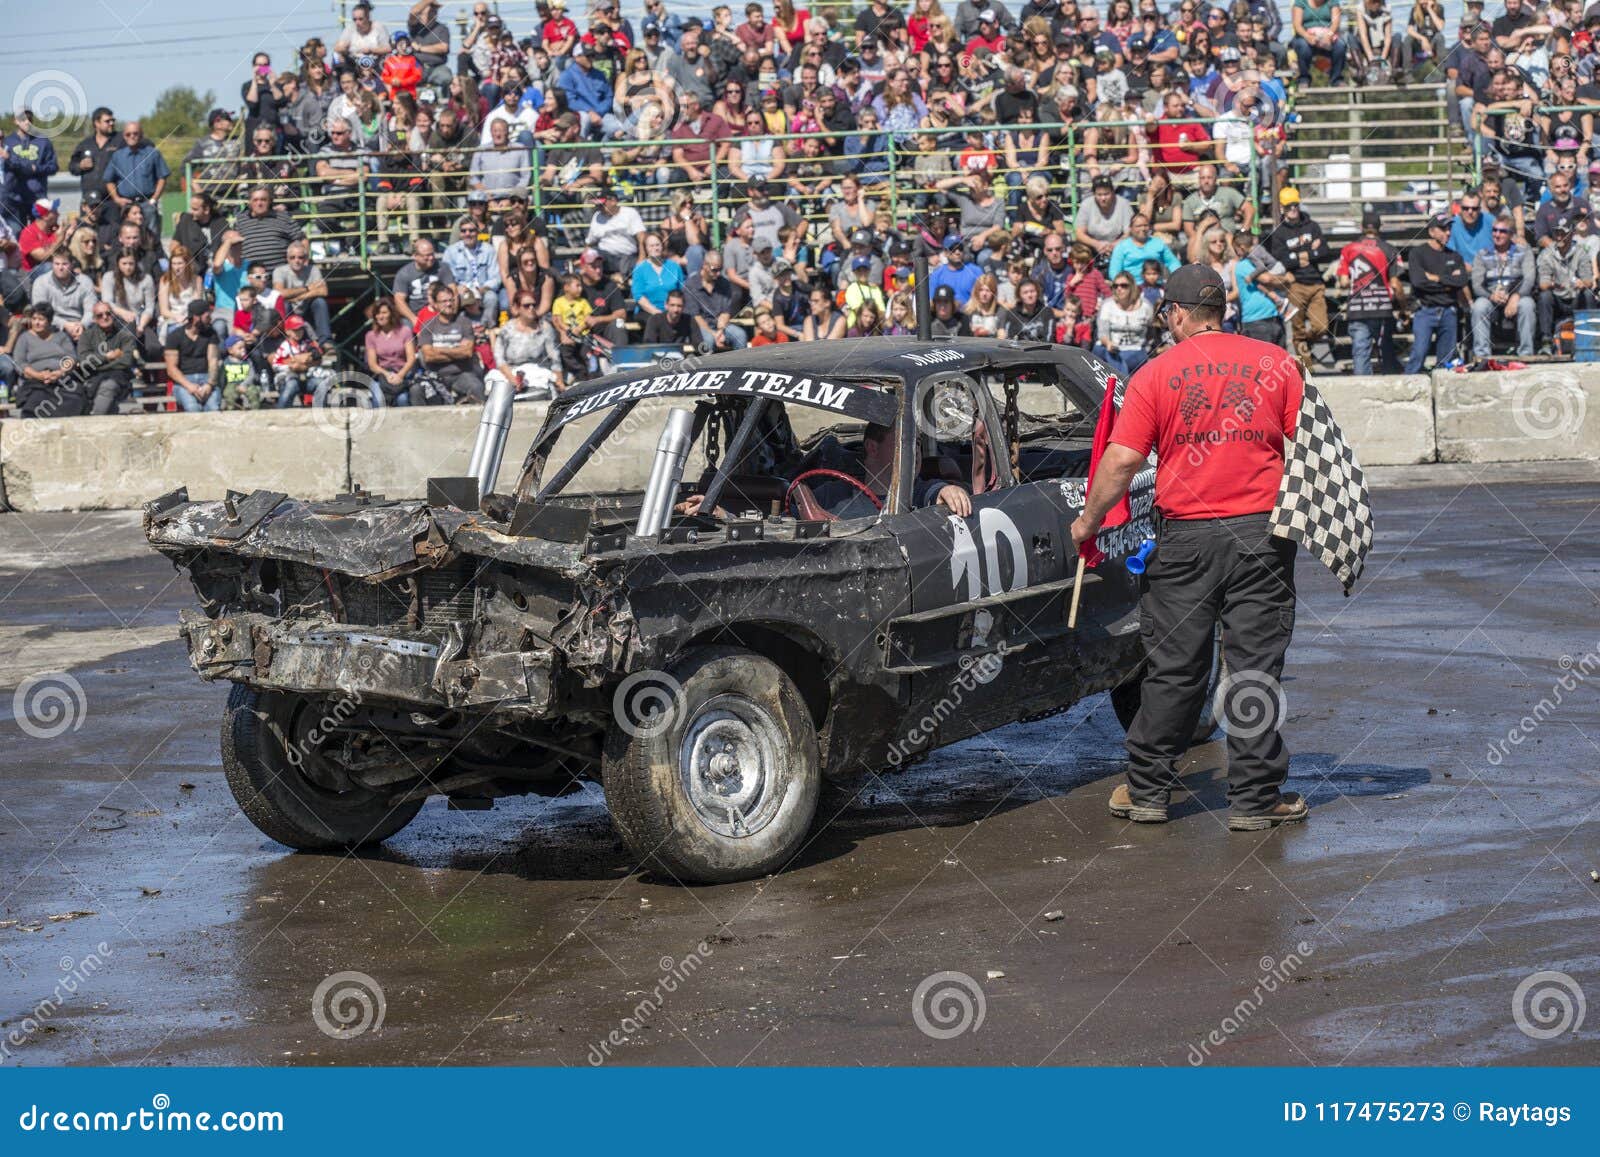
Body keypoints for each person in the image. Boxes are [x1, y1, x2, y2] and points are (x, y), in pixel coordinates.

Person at [1070, 263, 1308, 831]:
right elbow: (1310, 446)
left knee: (1176, 667)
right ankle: (1254, 800)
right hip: (1262, 537)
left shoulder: (1155, 373)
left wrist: (1089, 521)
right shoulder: (1278, 363)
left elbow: (1125, 460)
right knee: (1255, 670)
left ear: (1176, 314)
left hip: (1187, 539)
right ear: (1221, 311)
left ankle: (1149, 790)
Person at [1263, 187, 1332, 366]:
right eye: (1288, 206)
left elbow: (1325, 251)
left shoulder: (1312, 226)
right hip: (1295, 285)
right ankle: (1308, 368)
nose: (1293, 209)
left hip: (1316, 283)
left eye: (1295, 205)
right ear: (1282, 208)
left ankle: (1307, 344)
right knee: (1298, 329)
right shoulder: (1279, 233)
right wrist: (1310, 251)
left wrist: (1303, 255)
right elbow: (1283, 261)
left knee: (1321, 327)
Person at [1336, 212, 1403, 374]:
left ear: (1361, 227)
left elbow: (1344, 282)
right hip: (1382, 308)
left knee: (1360, 351)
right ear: (1380, 228)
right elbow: (1395, 283)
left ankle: (1361, 391)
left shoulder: (1347, 250)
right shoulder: (1389, 249)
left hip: (1357, 308)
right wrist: (1403, 306)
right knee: (1385, 349)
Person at [1405, 212, 1470, 372]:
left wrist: (1435, 278)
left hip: (1449, 311)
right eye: (1442, 228)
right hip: (1425, 310)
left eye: (1449, 228)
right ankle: (1406, 388)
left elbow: (1461, 281)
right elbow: (1419, 282)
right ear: (1431, 231)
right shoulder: (1418, 253)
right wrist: (1448, 282)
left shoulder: (1454, 256)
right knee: (1418, 354)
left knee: (1446, 361)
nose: (1447, 232)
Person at [1471, 215, 1536, 361]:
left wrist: (1516, 296)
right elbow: (1476, 284)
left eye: (1502, 231)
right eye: (1494, 230)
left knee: (1527, 304)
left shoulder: (1524, 251)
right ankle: (1482, 356)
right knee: (1479, 306)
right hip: (1491, 297)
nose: (1497, 234)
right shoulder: (1482, 254)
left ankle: (1526, 354)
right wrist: (1491, 295)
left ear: (1511, 234)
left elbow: (1529, 278)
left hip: (1516, 295)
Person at [11, 304, 86, 418]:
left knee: (74, 399)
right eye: (34, 319)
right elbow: (20, 362)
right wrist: (38, 375)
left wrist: (60, 372)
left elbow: (71, 358)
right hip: (35, 381)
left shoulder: (61, 336)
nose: (36, 323)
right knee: (36, 401)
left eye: (41, 319)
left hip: (61, 379)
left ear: (49, 321)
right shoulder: (24, 338)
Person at [418, 283, 486, 402]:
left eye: (451, 300)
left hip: (461, 373)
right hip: (435, 375)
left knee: (477, 387)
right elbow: (428, 356)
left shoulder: (464, 323)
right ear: (435, 304)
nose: (448, 304)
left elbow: (467, 353)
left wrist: (439, 350)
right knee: (416, 391)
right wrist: (457, 350)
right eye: (444, 301)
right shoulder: (428, 325)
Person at [101, 121, 170, 236]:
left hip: (147, 204)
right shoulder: (117, 156)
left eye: (135, 133)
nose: (132, 136)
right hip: (127, 205)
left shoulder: (153, 153)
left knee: (151, 238)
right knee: (128, 238)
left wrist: (154, 199)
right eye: (128, 134)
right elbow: (108, 180)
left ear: (141, 135)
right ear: (124, 136)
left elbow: (162, 177)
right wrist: (117, 199)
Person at [1536, 221, 1594, 353]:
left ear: (1571, 234)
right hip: (1557, 297)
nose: (1559, 237)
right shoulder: (1546, 254)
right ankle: (1546, 341)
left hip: (1576, 297)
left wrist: (1582, 283)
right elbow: (1542, 283)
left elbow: (1589, 280)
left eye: (1563, 233)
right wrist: (1552, 284)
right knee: (1544, 296)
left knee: (1589, 294)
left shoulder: (1581, 252)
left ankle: (1591, 337)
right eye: (1557, 233)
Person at [2, 109, 60, 233]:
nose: (27, 123)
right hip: (16, 198)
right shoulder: (8, 142)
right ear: (16, 121)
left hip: (37, 196)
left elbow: (53, 166)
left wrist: (37, 169)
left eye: (30, 120)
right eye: (23, 120)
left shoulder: (43, 141)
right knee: (18, 233)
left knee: (41, 232)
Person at [1094, 273, 1155, 378]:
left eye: (1124, 285)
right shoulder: (1107, 305)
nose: (1119, 289)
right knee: (1107, 355)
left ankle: (1119, 386)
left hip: (1135, 348)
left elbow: (1151, 329)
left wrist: (1148, 347)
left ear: (1132, 287)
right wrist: (1108, 343)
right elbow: (1102, 332)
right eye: (1115, 286)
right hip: (1110, 348)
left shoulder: (1145, 306)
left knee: (1124, 360)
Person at [165, 300, 221, 413]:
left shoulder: (211, 334)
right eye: (207, 316)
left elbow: (213, 360)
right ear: (196, 317)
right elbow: (171, 369)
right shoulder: (175, 336)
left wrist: (209, 384)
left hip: (206, 378)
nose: (210, 318)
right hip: (184, 380)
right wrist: (189, 386)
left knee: (213, 408)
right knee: (192, 408)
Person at [30, 251, 97, 341]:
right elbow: (41, 312)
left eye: (64, 264)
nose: (60, 268)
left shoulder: (85, 281)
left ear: (71, 265)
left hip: (79, 325)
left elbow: (91, 310)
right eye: (56, 264)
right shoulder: (41, 282)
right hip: (52, 326)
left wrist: (82, 325)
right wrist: (65, 325)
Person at [363, 297, 419, 405]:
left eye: (384, 312)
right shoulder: (371, 336)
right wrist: (387, 375)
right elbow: (372, 364)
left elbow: (411, 357)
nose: (381, 316)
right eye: (378, 313)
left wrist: (400, 375)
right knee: (378, 397)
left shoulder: (404, 331)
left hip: (402, 373)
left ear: (391, 313)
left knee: (402, 399)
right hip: (382, 374)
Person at [1290, 0, 1347, 86]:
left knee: (1340, 46)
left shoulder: (1332, 2)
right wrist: (1308, 37)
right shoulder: (1300, 2)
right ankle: (1304, 78)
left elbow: (1336, 23)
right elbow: (1297, 25)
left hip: (1328, 35)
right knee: (1303, 46)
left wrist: (1328, 36)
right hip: (1305, 36)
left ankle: (1336, 78)